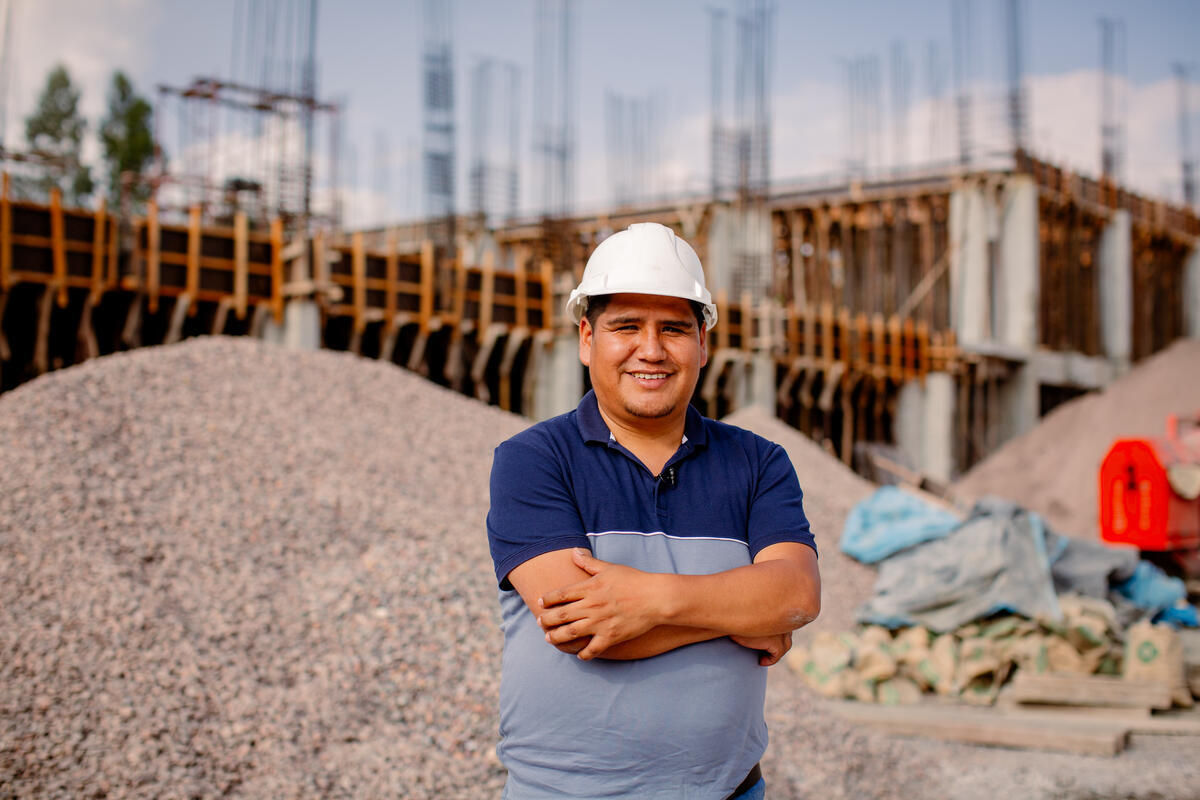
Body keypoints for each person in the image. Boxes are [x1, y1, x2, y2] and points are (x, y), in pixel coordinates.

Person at [486, 222, 820, 799]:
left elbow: (796, 596)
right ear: (587, 338)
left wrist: (652, 600)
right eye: (626, 327)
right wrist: (740, 614)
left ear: (703, 343)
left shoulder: (759, 462)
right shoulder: (532, 460)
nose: (653, 349)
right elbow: (585, 628)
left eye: (674, 329)